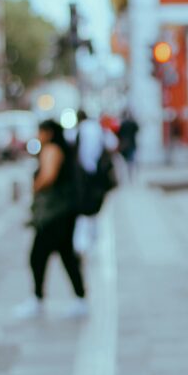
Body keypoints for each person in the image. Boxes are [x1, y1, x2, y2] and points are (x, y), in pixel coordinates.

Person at [18, 119, 87, 319]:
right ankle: (80, 298)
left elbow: (48, 176)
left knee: (37, 256)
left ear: (48, 133)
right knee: (67, 256)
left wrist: (35, 186)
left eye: (40, 132)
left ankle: (37, 298)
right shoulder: (64, 148)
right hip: (65, 212)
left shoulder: (51, 150)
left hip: (53, 214)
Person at [71, 109, 118, 254]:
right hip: (98, 174)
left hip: (84, 175)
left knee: (84, 206)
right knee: (95, 206)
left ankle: (83, 241)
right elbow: (113, 144)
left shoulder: (81, 130)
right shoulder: (98, 128)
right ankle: (94, 236)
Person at [116, 109, 139, 182]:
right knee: (130, 161)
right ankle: (130, 175)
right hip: (130, 144)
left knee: (127, 161)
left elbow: (118, 134)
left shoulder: (123, 124)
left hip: (125, 144)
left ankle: (127, 176)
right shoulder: (131, 124)